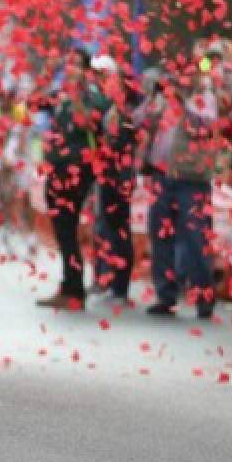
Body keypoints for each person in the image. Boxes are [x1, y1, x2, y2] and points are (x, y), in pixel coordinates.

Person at [136, 53, 222, 318]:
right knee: (160, 235)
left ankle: (203, 297)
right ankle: (166, 295)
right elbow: (140, 119)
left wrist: (182, 99)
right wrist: (154, 98)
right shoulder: (163, 98)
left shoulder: (203, 97)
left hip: (191, 179)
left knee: (196, 239)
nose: (176, 78)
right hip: (162, 176)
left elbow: (206, 124)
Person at [34, 47, 109, 310]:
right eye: (68, 65)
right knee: (62, 228)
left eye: (75, 64)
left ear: (87, 70)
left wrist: (77, 95)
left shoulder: (94, 95)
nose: (70, 69)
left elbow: (88, 122)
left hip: (78, 168)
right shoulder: (59, 95)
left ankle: (74, 288)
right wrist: (46, 73)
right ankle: (69, 285)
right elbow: (33, 103)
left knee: (67, 226)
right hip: (57, 167)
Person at [92, 60, 141, 303]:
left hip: (119, 175)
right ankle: (108, 280)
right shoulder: (112, 109)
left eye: (114, 80)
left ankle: (120, 286)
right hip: (109, 173)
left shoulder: (128, 112)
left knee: (119, 230)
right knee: (108, 228)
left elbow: (126, 142)